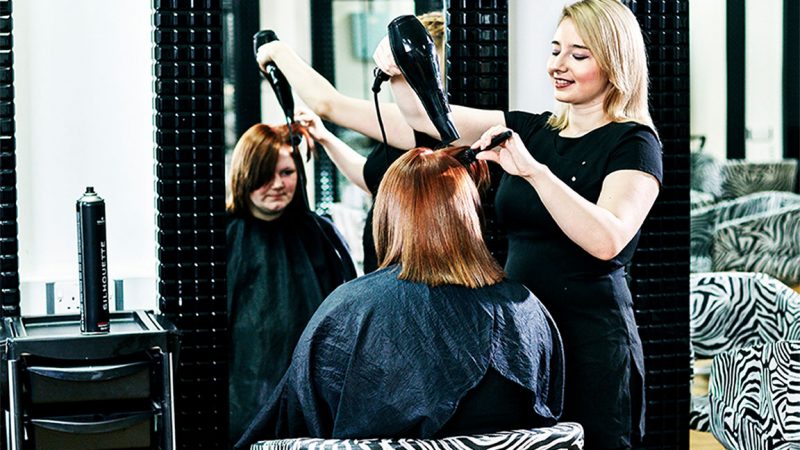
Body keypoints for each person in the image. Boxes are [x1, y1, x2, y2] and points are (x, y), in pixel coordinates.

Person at [374, 1, 662, 448]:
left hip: (591, 342)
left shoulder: (635, 144)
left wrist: (535, 172)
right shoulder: (531, 128)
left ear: (615, 63)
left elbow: (608, 239)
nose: (558, 66)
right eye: (555, 50)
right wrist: (398, 69)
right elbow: (427, 118)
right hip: (523, 340)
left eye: (578, 55)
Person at [234, 147, 564, 448]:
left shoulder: (352, 309)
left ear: (388, 216)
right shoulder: (525, 307)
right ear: (470, 214)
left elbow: (292, 423)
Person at [255, 12, 445, 272]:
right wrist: (325, 137)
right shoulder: (411, 130)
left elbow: (327, 104)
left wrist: (275, 50)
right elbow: (372, 179)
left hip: (414, 280)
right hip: (384, 276)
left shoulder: (431, 124)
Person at [226, 123, 357, 444]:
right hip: (241, 393)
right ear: (245, 173)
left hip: (309, 392)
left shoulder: (320, 235)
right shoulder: (222, 238)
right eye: (265, 174)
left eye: (287, 172)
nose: (277, 185)